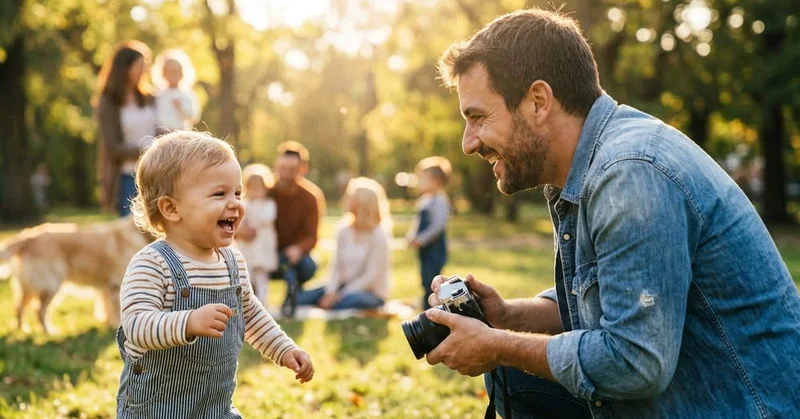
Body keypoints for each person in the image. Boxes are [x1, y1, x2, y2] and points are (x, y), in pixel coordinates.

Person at [422, 8, 800, 419]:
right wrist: (508, 317)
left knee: (515, 365)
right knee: (517, 377)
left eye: (478, 117)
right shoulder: (587, 169)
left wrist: (498, 346)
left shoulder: (630, 173)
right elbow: (610, 300)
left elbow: (635, 361)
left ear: (538, 101)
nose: (468, 143)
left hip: (747, 408)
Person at [117, 131, 313, 418]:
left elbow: (250, 314)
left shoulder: (232, 260)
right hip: (156, 410)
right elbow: (135, 325)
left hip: (215, 409)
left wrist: (283, 349)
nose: (235, 204)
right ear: (171, 208)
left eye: (238, 193)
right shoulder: (153, 264)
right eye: (220, 194)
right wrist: (188, 322)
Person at [237, 141, 326, 319]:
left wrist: (298, 249)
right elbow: (242, 213)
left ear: (302, 169)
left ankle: (293, 294)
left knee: (308, 265)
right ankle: (252, 298)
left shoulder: (310, 197)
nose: (286, 173)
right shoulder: (265, 191)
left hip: (290, 255)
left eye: (292, 169)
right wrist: (240, 232)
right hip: (263, 249)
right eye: (282, 168)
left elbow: (312, 236)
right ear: (276, 166)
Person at [297, 177, 392, 310]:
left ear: (362, 202)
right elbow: (335, 267)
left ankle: (333, 304)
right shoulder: (343, 230)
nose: (344, 200)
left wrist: (340, 295)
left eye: (350, 197)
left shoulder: (378, 235)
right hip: (342, 286)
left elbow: (371, 276)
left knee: (347, 301)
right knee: (300, 299)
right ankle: (329, 302)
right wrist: (330, 292)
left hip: (369, 292)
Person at [94, 40, 159, 216]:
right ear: (125, 68)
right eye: (140, 66)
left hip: (155, 173)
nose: (144, 70)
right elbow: (113, 147)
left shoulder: (151, 97)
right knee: (130, 228)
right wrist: (149, 150)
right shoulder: (109, 102)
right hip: (127, 177)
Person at [406, 156, 452, 310]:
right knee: (424, 277)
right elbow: (417, 222)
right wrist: (411, 237)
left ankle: (435, 307)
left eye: (422, 178)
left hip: (435, 250)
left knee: (433, 279)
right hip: (424, 250)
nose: (419, 181)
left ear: (436, 181)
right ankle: (427, 305)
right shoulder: (424, 200)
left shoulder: (440, 201)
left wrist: (422, 239)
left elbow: (437, 226)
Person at [234, 163, 279, 306]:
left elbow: (267, 218)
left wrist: (252, 220)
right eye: (252, 188)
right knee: (247, 274)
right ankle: (247, 303)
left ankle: (263, 302)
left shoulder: (269, 204)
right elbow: (240, 220)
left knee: (261, 275)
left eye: (259, 188)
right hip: (249, 246)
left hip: (263, 244)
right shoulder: (245, 203)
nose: (255, 191)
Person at [151, 49, 200, 132]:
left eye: (176, 71)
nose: (173, 75)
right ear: (162, 73)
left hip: (180, 132)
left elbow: (194, 117)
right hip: (161, 133)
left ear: (183, 73)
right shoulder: (158, 94)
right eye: (169, 71)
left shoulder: (186, 93)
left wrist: (181, 107)